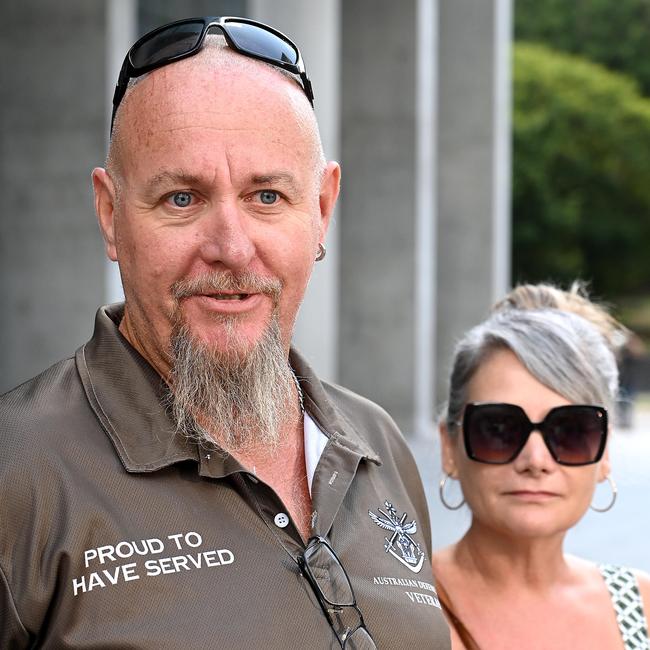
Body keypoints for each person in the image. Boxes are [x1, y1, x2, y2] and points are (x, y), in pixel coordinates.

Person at [0, 16, 450, 649]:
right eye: (182, 199)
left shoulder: (375, 444)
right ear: (109, 215)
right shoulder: (16, 477)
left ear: (321, 210)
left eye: (267, 196)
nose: (232, 250)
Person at [431, 295, 650, 649]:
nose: (536, 460)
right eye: (500, 429)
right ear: (449, 447)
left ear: (604, 454)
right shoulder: (397, 605)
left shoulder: (642, 609)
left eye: (571, 431)